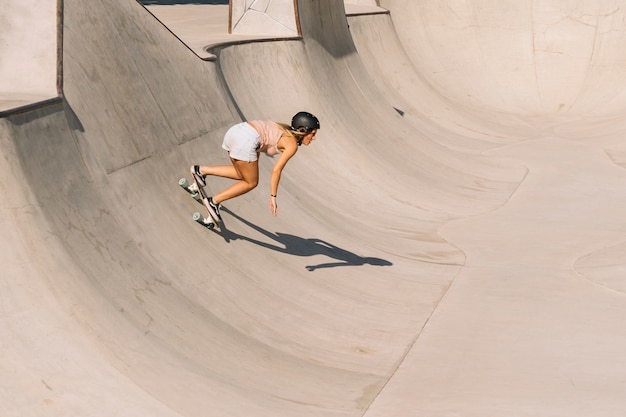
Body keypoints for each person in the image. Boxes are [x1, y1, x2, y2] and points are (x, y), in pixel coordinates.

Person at [190, 111, 320, 219]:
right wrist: (273, 196)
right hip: (248, 139)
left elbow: (261, 137)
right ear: (303, 130)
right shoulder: (292, 144)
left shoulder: (283, 129)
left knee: (242, 174)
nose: (314, 138)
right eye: (313, 134)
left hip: (235, 132)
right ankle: (213, 202)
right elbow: (276, 170)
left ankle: (200, 171)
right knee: (251, 183)